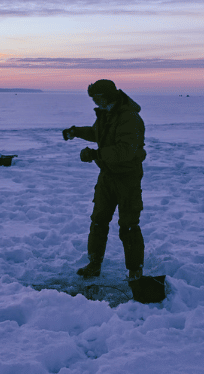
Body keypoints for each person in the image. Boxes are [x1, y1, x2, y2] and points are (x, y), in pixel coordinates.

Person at [62, 79, 146, 280]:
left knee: (128, 225)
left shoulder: (130, 118)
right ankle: (94, 264)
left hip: (127, 178)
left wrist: (95, 155)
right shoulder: (106, 113)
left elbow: (125, 151)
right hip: (107, 177)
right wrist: (76, 132)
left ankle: (135, 271)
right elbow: (97, 133)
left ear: (109, 95)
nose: (96, 102)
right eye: (93, 99)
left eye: (98, 98)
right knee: (98, 221)